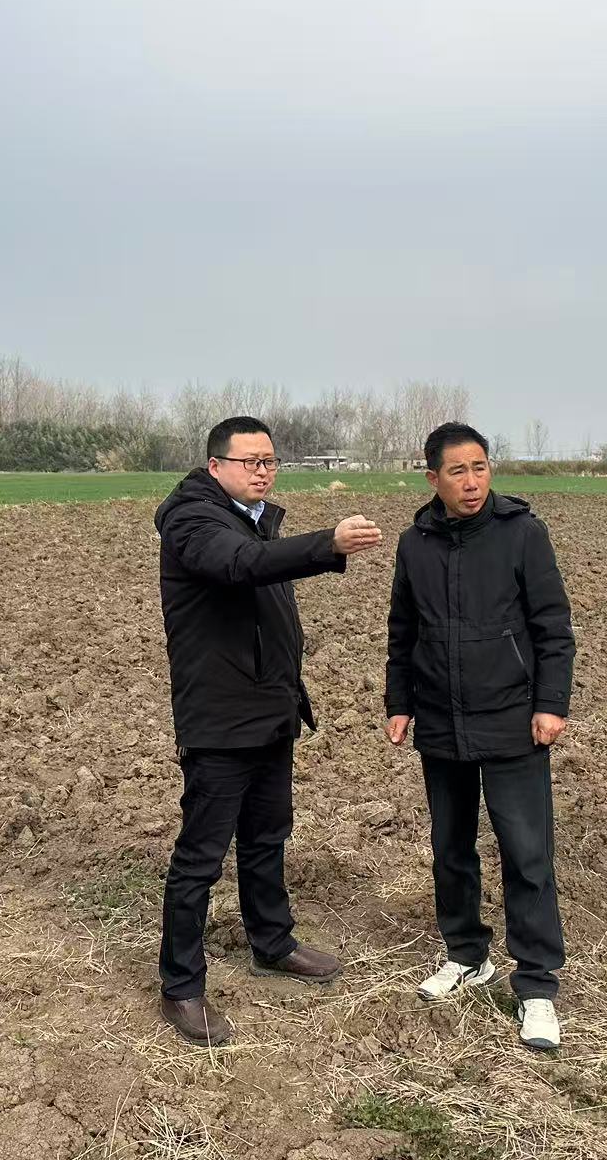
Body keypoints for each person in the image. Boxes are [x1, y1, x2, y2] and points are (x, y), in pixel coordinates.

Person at [153, 415, 383, 1044]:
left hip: (271, 712)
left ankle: (272, 942)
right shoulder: (193, 521)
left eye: (270, 461)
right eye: (250, 461)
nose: (262, 471)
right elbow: (240, 566)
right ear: (215, 466)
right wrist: (327, 544)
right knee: (200, 858)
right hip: (221, 721)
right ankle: (181, 986)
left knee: (265, 837)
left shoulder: (252, 519)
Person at [384, 422, 575, 1050]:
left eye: (481, 467)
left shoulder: (522, 533)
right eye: (458, 471)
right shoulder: (414, 544)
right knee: (451, 847)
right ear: (432, 478)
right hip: (441, 720)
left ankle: (537, 985)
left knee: (526, 852)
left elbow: (553, 627)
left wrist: (550, 704)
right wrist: (399, 703)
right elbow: (403, 630)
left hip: (513, 719)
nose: (472, 482)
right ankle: (467, 953)